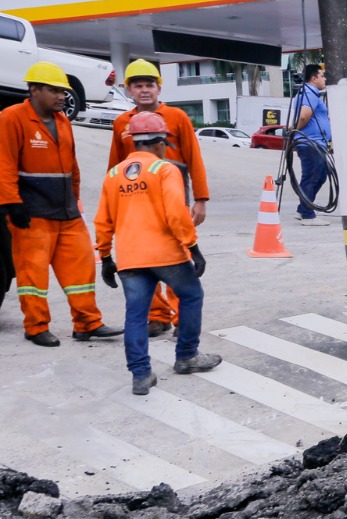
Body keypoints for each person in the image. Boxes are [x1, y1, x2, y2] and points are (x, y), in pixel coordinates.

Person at [95, 112, 221, 395]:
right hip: (166, 255)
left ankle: (140, 376)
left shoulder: (114, 175)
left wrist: (105, 258)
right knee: (191, 295)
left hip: (129, 258)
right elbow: (176, 213)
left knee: (136, 315)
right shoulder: (165, 170)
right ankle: (187, 355)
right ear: (160, 142)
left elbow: (103, 220)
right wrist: (193, 248)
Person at [0, 62, 121, 348]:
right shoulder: (11, 118)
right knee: (33, 275)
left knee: (80, 270)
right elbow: (3, 165)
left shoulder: (63, 121)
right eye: (54, 90)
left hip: (66, 211)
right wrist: (11, 204)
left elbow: (71, 166)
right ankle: (36, 326)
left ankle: (87, 323)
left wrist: (75, 200)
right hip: (31, 214)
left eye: (63, 91)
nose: (61, 97)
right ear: (34, 90)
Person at [108, 58, 211, 339]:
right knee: (142, 256)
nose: (144, 90)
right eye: (137, 85)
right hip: (135, 199)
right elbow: (115, 166)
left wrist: (200, 199)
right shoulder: (122, 123)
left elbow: (193, 157)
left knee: (175, 254)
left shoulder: (176, 118)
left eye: (149, 85)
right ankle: (157, 316)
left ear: (159, 88)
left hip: (174, 193)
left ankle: (181, 317)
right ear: (128, 89)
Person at [290, 62, 332, 224]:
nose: (325, 79)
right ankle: (307, 215)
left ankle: (303, 210)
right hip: (310, 143)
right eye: (322, 76)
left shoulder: (310, 94)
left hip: (316, 143)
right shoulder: (309, 93)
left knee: (320, 176)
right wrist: (295, 130)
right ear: (314, 78)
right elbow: (303, 116)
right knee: (313, 176)